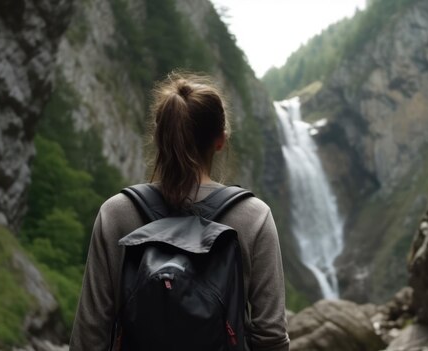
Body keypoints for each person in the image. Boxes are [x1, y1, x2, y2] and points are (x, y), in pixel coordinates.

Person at [69, 73, 290, 351]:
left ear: (159, 138)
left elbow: (89, 336)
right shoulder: (253, 217)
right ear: (220, 140)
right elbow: (271, 335)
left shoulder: (116, 213)